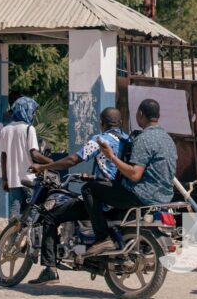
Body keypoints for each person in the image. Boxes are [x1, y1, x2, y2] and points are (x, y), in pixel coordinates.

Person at [27, 107, 130, 285]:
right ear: (120, 123)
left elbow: (73, 160)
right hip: (120, 196)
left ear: (102, 123)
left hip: (103, 199)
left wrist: (43, 167)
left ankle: (50, 269)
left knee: (51, 217)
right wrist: (93, 176)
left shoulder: (100, 140)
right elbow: (112, 171)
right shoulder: (127, 140)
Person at [86, 99, 177, 257]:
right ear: (158, 116)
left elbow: (135, 174)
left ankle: (102, 238)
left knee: (89, 189)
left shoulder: (144, 139)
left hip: (141, 196)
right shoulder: (168, 139)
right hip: (164, 196)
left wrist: (111, 156)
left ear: (140, 114)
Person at [0, 97, 52, 218]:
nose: (33, 115)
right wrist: (51, 162)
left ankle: (12, 236)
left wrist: (4, 179)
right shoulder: (29, 129)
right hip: (29, 178)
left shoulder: (5, 130)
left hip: (13, 179)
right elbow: (35, 154)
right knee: (32, 211)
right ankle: (29, 236)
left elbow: (3, 156)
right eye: (32, 112)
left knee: (14, 212)